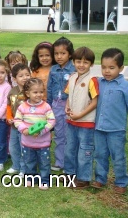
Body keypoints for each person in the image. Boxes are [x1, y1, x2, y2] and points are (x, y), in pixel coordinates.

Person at [92, 48, 128, 195]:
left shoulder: (127, 87)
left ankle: (121, 182)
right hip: (99, 128)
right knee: (100, 154)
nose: (107, 71)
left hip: (116, 130)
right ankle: (100, 178)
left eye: (111, 68)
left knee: (118, 157)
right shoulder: (99, 83)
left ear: (121, 68)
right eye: (104, 67)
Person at [64, 47, 99, 189]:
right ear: (73, 62)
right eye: (78, 61)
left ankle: (83, 178)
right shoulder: (72, 77)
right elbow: (69, 95)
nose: (81, 65)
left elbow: (95, 102)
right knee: (70, 148)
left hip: (86, 123)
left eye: (86, 62)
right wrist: (67, 106)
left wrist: (80, 114)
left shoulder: (92, 80)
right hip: (72, 121)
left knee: (84, 150)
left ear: (91, 64)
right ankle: (70, 174)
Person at [14, 78, 55, 190]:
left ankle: (45, 180)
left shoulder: (46, 106)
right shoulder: (22, 107)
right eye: (35, 92)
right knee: (29, 161)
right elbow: (17, 120)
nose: (39, 95)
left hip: (43, 143)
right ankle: (30, 178)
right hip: (27, 142)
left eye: (41, 92)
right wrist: (24, 130)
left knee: (44, 162)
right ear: (27, 93)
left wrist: (41, 131)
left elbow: (51, 121)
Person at [46, 36, 75, 172]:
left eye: (62, 53)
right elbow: (50, 88)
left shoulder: (74, 69)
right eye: (56, 53)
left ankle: (70, 162)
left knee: (70, 135)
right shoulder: (53, 69)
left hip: (70, 106)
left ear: (69, 54)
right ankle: (59, 162)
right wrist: (48, 106)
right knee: (59, 134)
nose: (59, 56)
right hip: (56, 105)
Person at [6, 63, 31, 175]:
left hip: (25, 125)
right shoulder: (12, 91)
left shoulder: (31, 91)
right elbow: (8, 106)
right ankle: (15, 165)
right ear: (14, 78)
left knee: (24, 148)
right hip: (14, 126)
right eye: (21, 75)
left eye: (27, 74)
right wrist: (9, 117)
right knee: (13, 147)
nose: (25, 77)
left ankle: (23, 168)